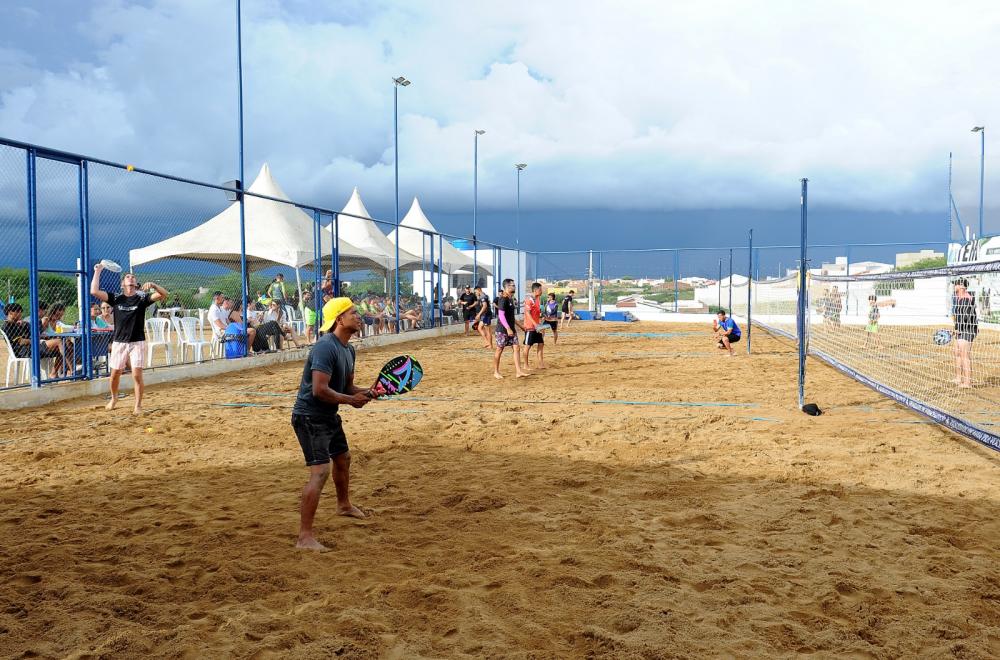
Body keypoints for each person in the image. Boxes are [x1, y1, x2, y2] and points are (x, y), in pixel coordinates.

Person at [292, 297, 375, 551]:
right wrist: (351, 400)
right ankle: (305, 538)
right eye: (353, 312)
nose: (359, 316)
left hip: (328, 415)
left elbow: (347, 387)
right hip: (310, 416)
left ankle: (343, 505)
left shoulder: (349, 349)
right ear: (339, 319)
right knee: (320, 472)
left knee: (343, 458)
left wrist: (370, 391)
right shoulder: (325, 347)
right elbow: (319, 390)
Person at [90, 264, 168, 415]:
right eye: (127, 277)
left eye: (133, 277)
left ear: (136, 284)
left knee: (137, 375)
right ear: (123, 284)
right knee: (114, 375)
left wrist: (153, 285)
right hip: (119, 342)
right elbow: (94, 291)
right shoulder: (116, 298)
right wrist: (98, 271)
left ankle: (138, 406)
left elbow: (164, 294)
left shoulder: (142, 299)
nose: (130, 278)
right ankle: (114, 398)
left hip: (137, 342)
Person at [493, 278, 528, 379]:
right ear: (506, 287)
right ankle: (496, 372)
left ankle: (518, 371)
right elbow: (501, 316)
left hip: (511, 329)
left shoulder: (510, 298)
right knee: (499, 349)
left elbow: (511, 317)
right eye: (512, 285)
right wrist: (508, 328)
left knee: (516, 347)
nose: (514, 287)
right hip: (502, 330)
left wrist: (520, 326)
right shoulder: (503, 299)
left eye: (514, 285)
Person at [951, 278, 977, 389]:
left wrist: (958, 328)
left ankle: (967, 382)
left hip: (968, 329)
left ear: (961, 286)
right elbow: (959, 317)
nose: (954, 286)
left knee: (964, 355)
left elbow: (966, 318)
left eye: (955, 284)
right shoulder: (959, 298)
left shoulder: (966, 298)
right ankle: (958, 378)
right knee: (957, 352)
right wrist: (956, 328)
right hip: (961, 328)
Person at [523, 282, 547, 370]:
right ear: (535, 290)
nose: (542, 291)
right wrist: (535, 324)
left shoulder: (538, 299)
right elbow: (527, 313)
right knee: (527, 346)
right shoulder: (529, 300)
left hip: (537, 326)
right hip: (530, 327)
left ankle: (541, 364)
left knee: (541, 344)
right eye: (540, 289)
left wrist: (540, 325)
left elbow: (536, 314)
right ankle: (525, 365)